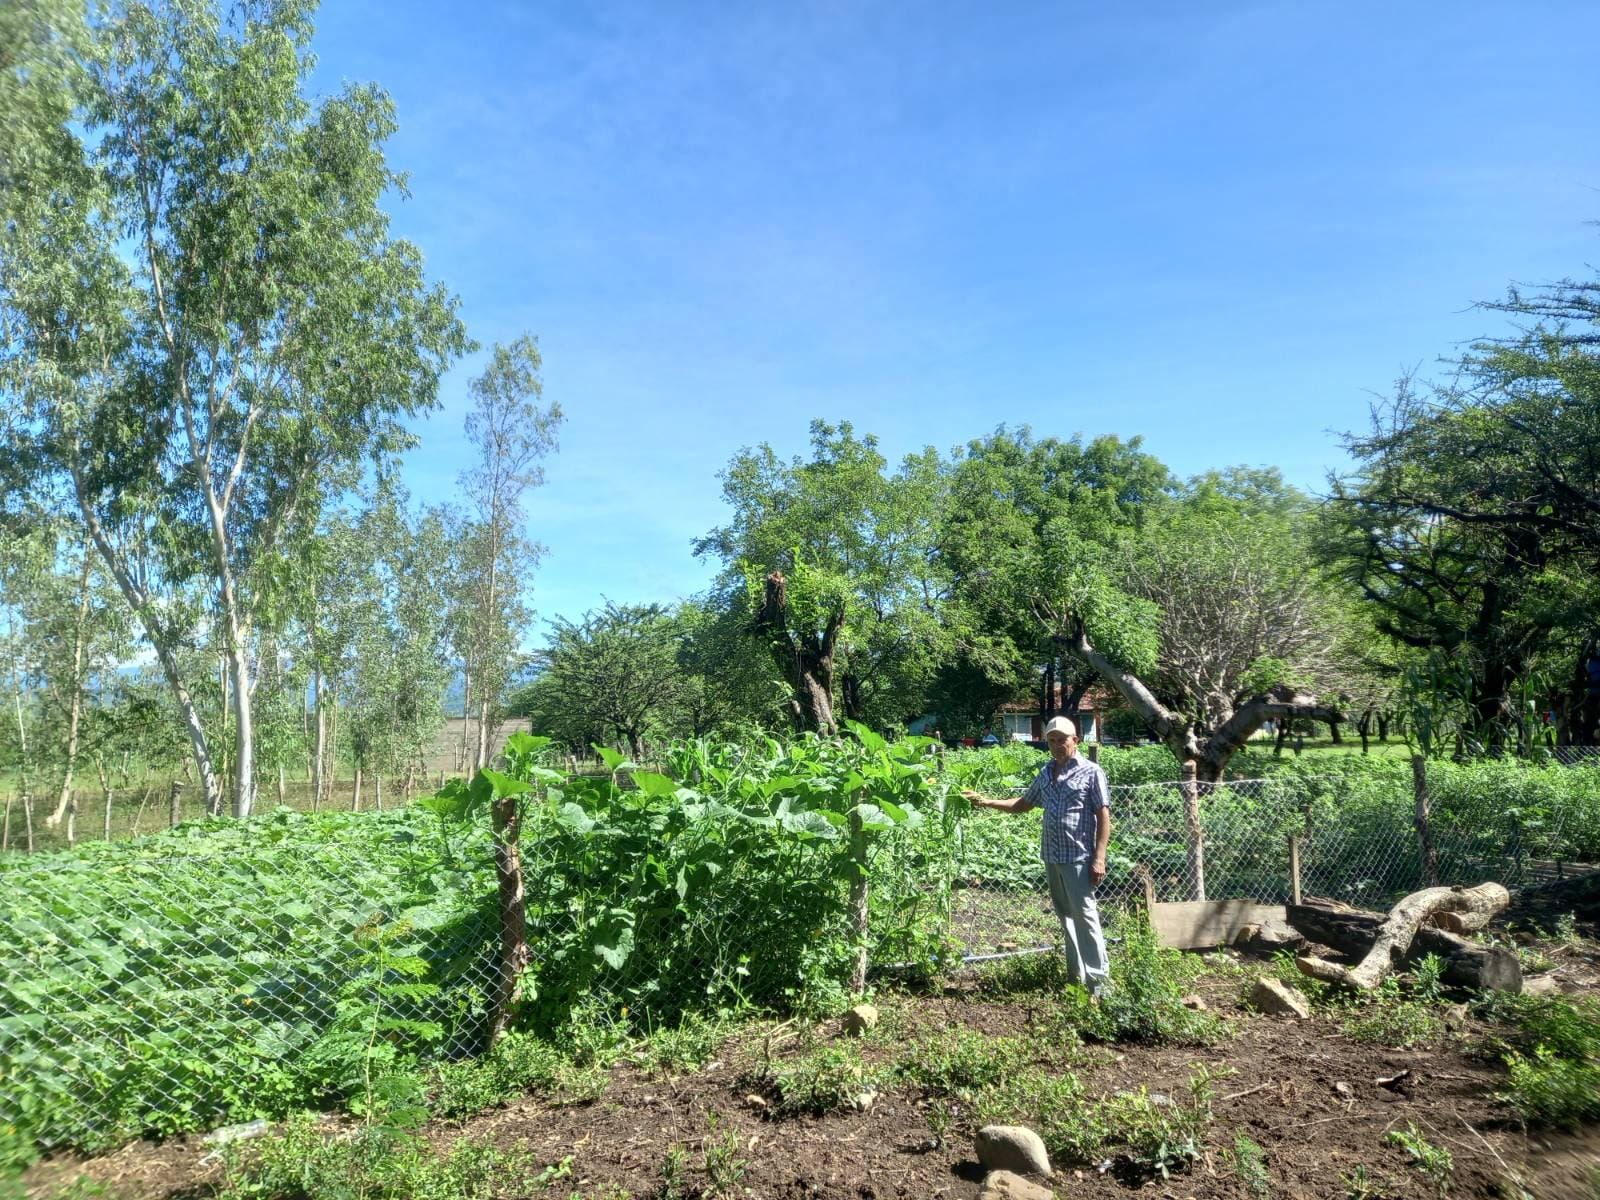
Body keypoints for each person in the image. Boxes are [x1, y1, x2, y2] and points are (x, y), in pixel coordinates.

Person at [962, 715, 1112, 995]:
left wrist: (1099, 857)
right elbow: (1023, 804)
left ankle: (1100, 989)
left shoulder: (1091, 772)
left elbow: (1103, 816)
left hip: (1079, 857)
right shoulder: (1046, 772)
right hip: (1052, 856)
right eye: (1052, 740)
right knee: (1067, 918)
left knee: (1086, 919)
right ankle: (1076, 981)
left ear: (1075, 741)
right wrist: (986, 801)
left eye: (1062, 740)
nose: (1057, 745)